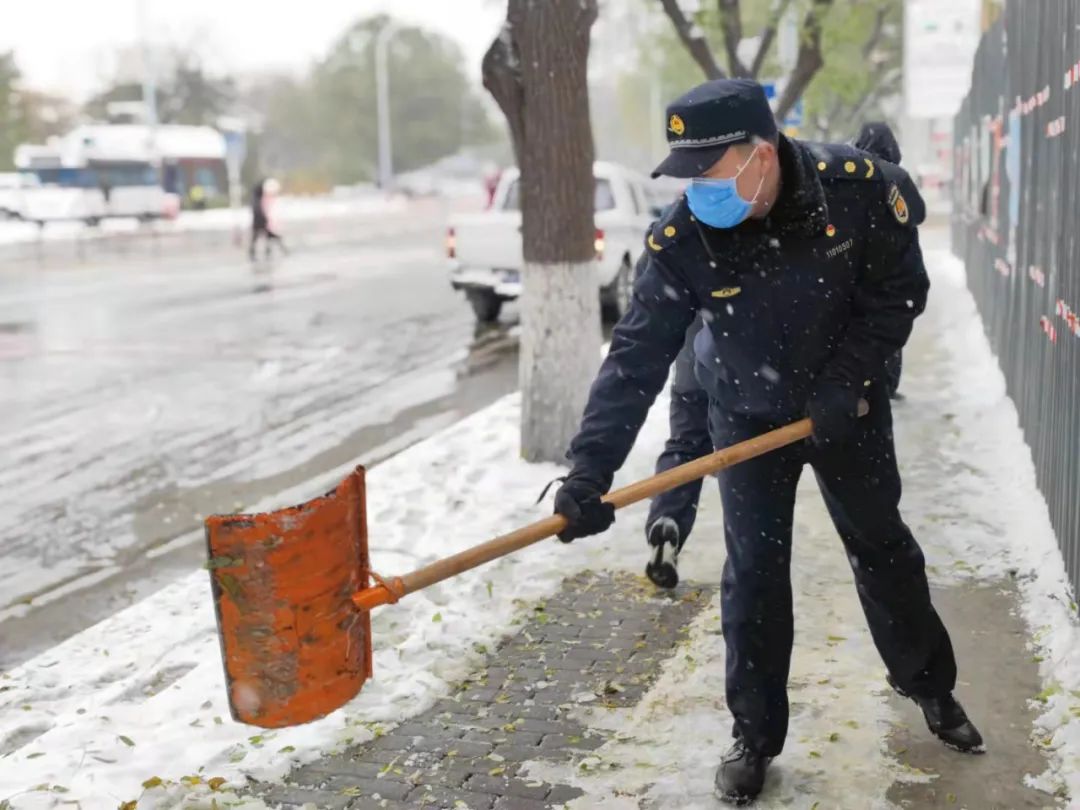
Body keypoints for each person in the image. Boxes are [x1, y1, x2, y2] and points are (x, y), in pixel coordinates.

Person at [549, 79, 982, 805]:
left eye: (709, 174)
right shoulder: (684, 235)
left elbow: (899, 291)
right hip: (746, 415)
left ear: (762, 154)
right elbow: (635, 356)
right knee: (752, 575)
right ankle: (754, 734)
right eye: (685, 177)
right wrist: (588, 471)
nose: (696, 193)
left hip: (846, 409)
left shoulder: (860, 191)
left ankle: (930, 687)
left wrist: (847, 382)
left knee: (883, 549)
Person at [644, 120, 912, 592]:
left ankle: (667, 519)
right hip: (734, 369)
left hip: (708, 355)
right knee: (857, 545)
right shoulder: (851, 205)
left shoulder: (840, 199)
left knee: (686, 443)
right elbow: (874, 314)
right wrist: (866, 382)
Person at [249, 177, 288, 260]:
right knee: (263, 237)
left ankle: (268, 251)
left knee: (266, 237)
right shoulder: (258, 198)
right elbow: (258, 209)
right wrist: (264, 218)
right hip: (260, 220)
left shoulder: (259, 197)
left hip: (261, 220)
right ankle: (261, 252)